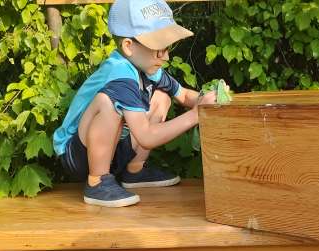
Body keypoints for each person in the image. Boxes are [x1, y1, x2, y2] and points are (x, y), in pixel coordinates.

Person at [52, 0, 223, 207]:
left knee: (162, 96)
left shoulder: (148, 68)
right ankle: (97, 182)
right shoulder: (119, 74)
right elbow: (146, 136)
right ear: (128, 46)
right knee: (108, 103)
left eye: (167, 48)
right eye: (159, 49)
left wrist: (209, 101)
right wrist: (196, 115)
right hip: (78, 154)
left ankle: (134, 171)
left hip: (114, 151)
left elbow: (185, 95)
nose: (166, 56)